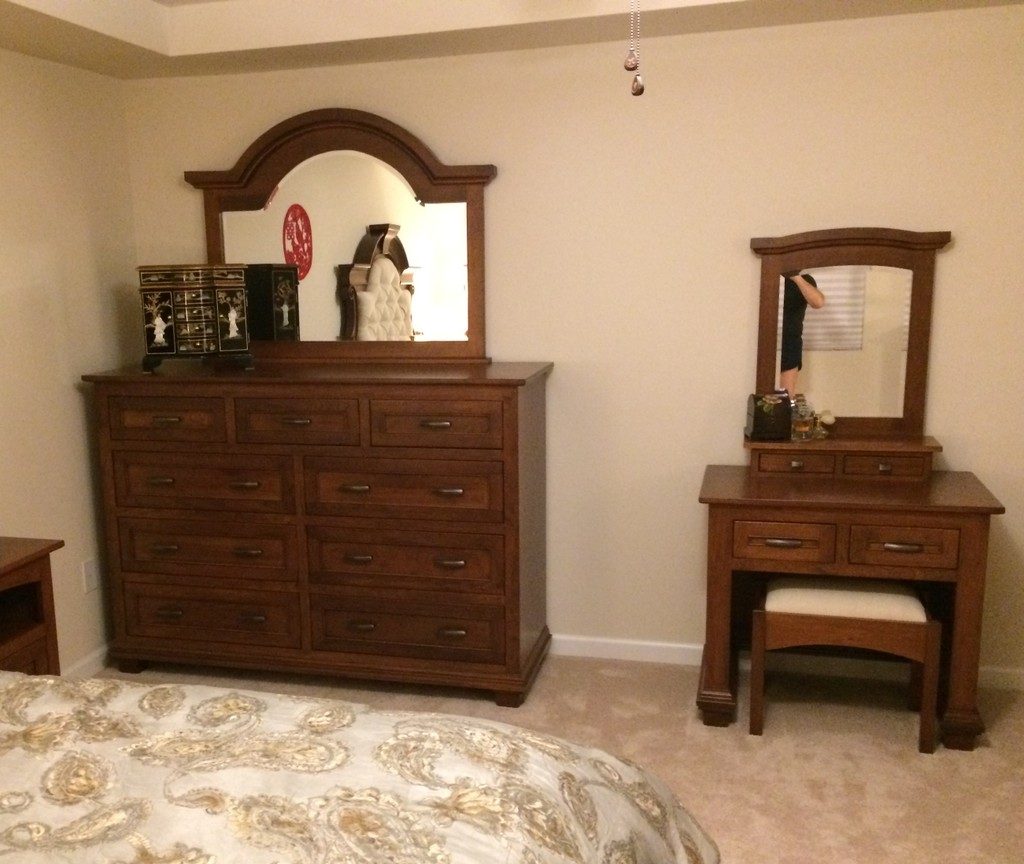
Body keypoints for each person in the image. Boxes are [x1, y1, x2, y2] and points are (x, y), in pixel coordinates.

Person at [779, 272, 825, 398]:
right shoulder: (767, 274)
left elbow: (818, 302)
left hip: (790, 345)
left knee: (785, 398)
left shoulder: (804, 279)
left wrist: (796, 277)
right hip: (764, 341)